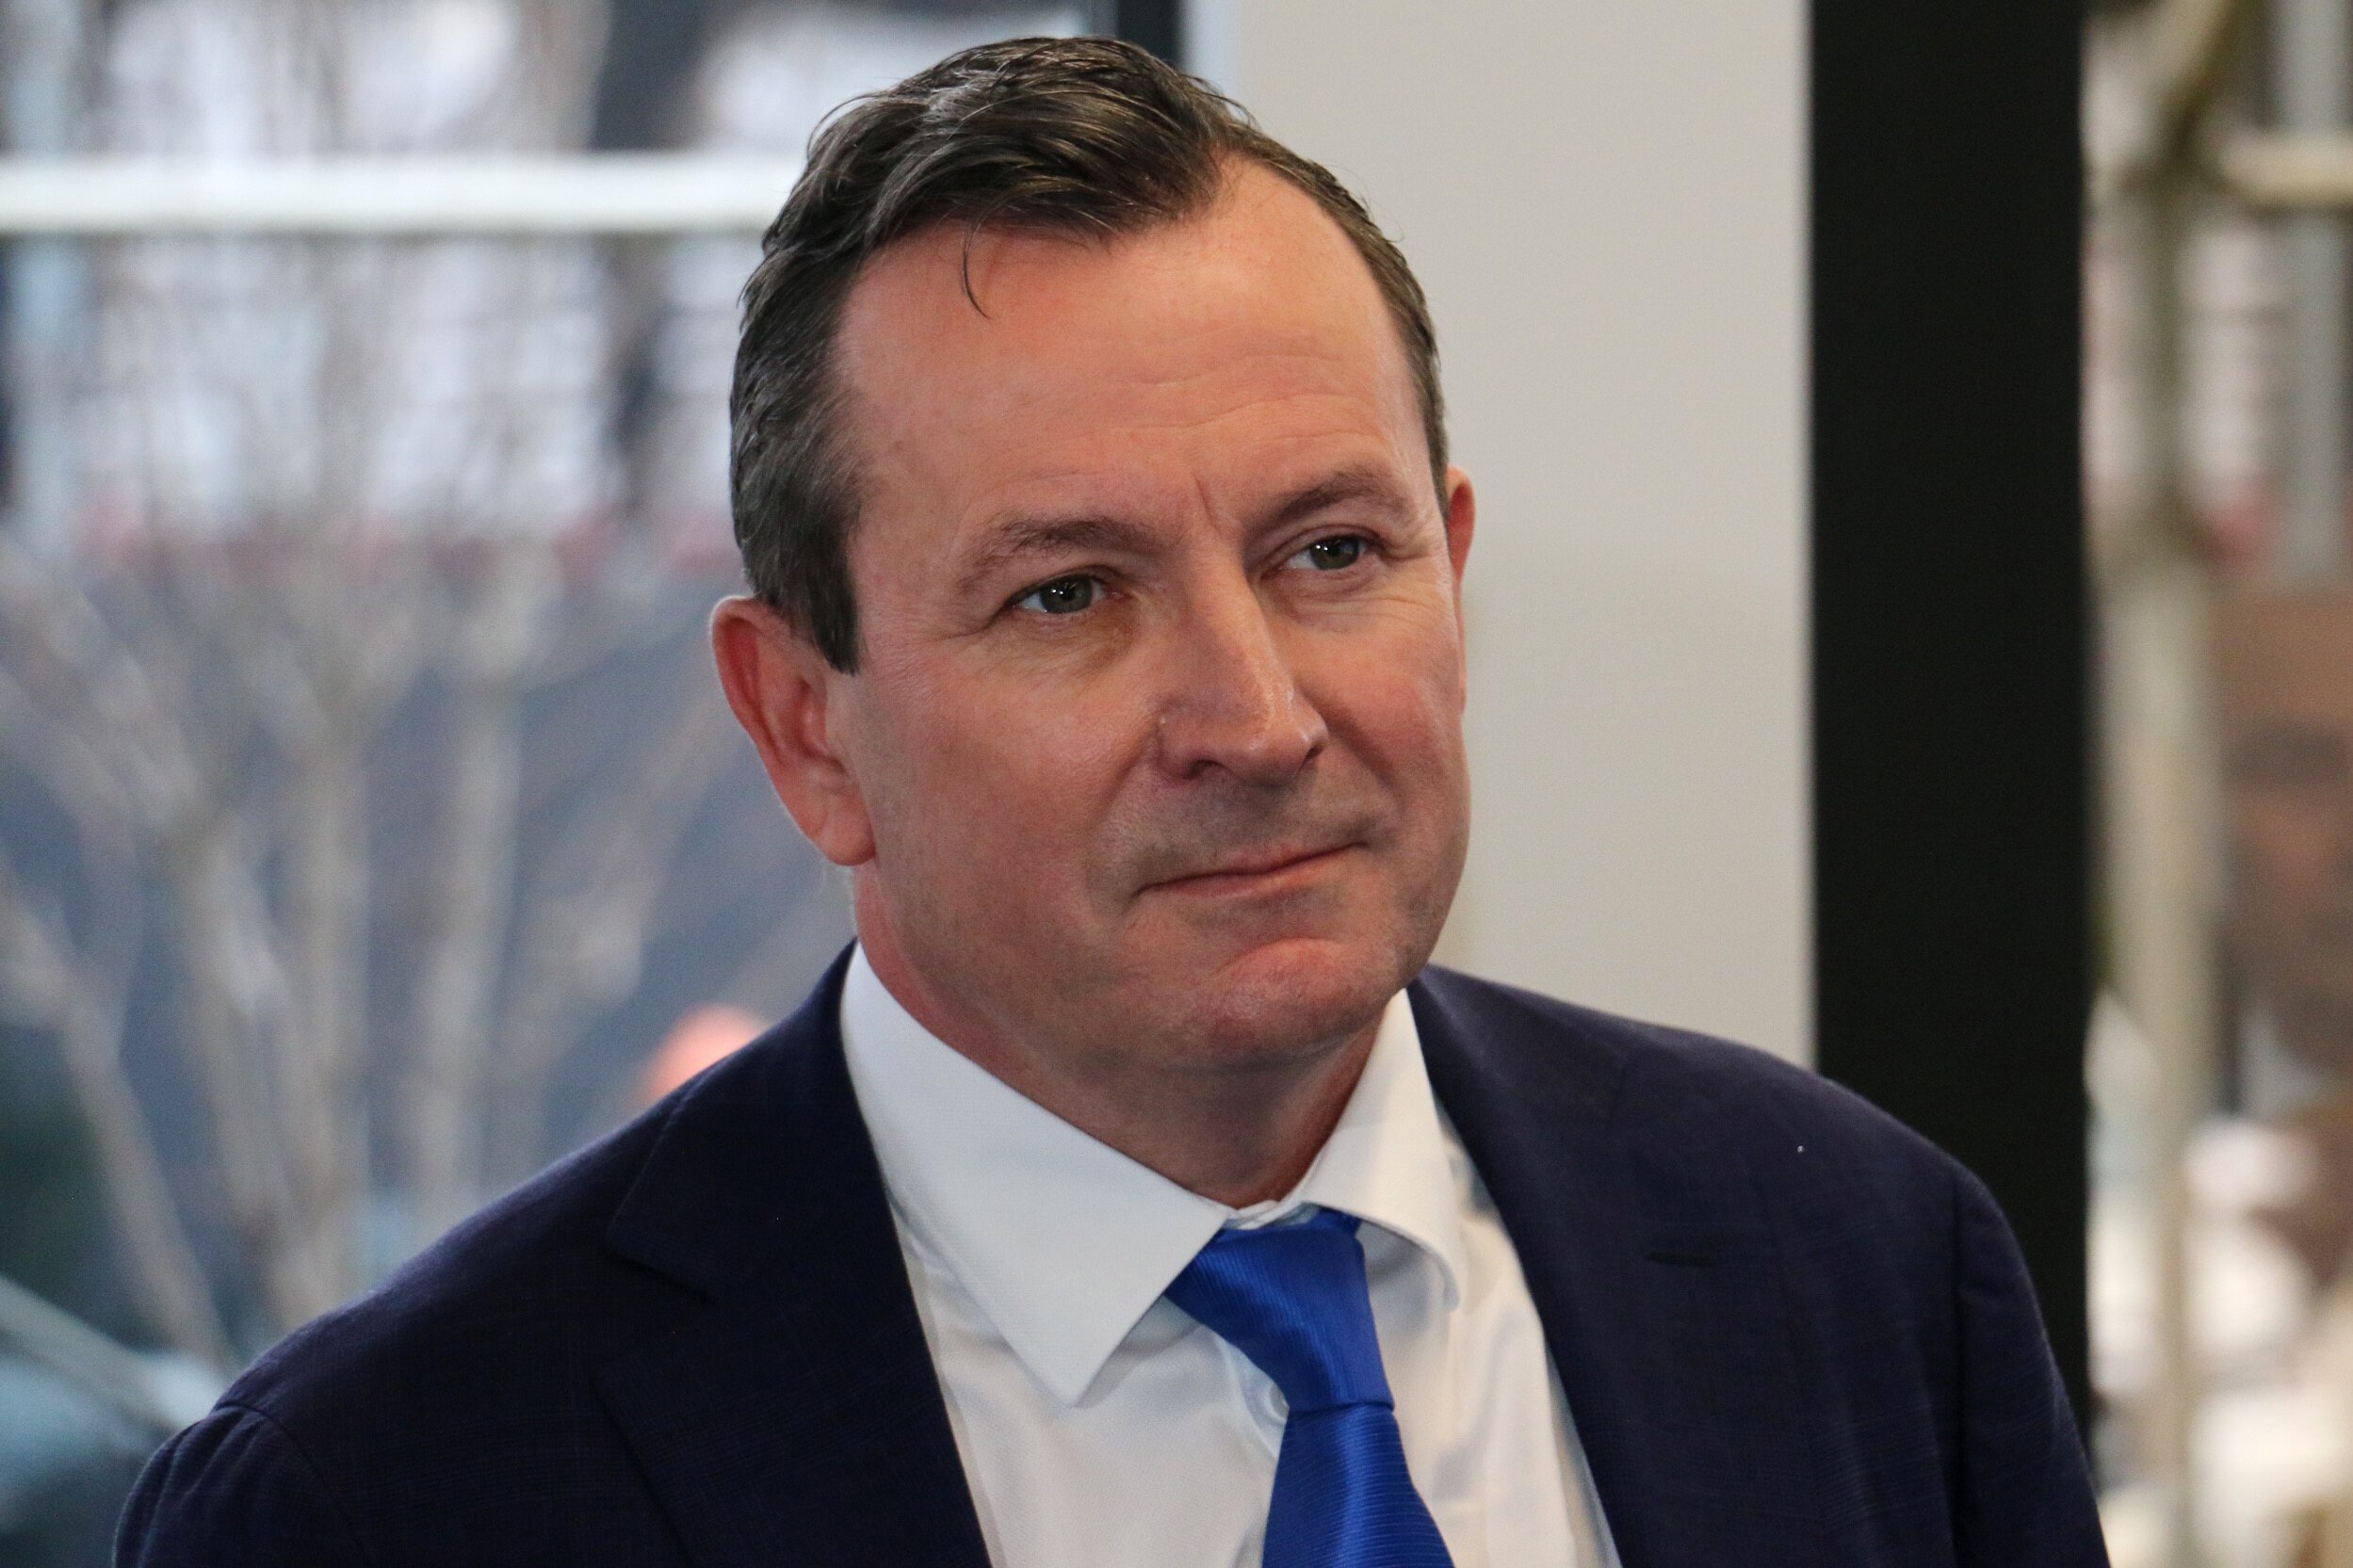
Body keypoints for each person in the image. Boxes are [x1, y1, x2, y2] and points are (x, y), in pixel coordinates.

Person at [116, 38, 2106, 1568]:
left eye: (1331, 551)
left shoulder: (1852, 1264)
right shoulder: (386, 1494)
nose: (1251, 714)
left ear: (1454, 571)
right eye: (1066, 593)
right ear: (804, 722)